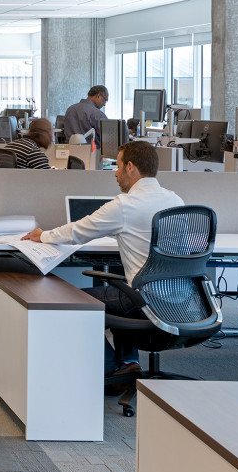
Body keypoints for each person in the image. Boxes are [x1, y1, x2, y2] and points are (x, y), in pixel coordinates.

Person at [21, 141, 184, 393]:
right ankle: (128, 363)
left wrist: (43, 235)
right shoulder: (176, 200)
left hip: (145, 299)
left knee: (70, 301)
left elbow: (78, 231)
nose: (115, 173)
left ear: (130, 167)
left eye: (118, 166)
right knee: (122, 282)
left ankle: (111, 371)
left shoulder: (125, 205)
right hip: (181, 298)